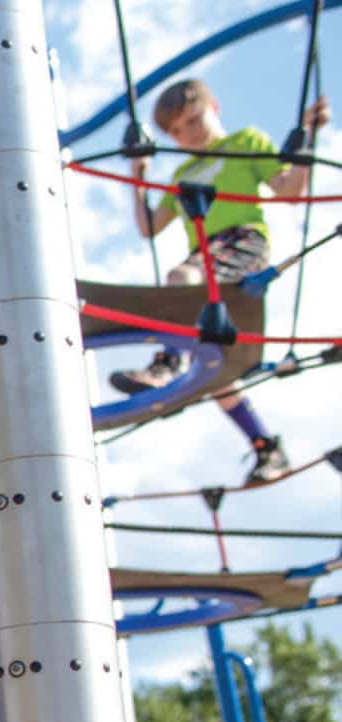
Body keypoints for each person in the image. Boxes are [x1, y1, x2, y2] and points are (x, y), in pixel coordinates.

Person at [111, 79, 330, 483]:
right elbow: (149, 227)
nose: (189, 133)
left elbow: (289, 190)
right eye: (177, 131)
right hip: (206, 260)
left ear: (216, 105)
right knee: (214, 371)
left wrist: (306, 142)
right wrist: (138, 174)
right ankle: (266, 446)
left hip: (242, 241)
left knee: (181, 277)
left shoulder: (246, 141)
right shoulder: (183, 171)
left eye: (194, 120)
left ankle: (165, 362)